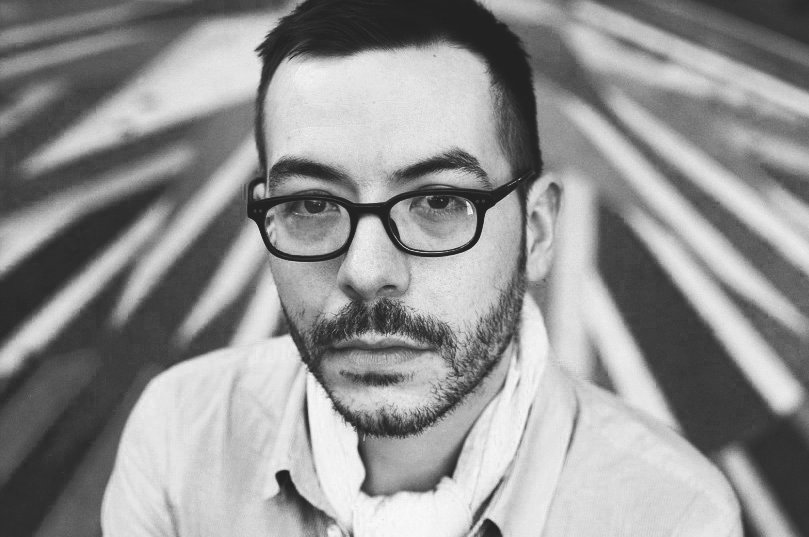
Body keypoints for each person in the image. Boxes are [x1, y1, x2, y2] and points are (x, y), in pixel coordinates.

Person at [102, 0, 742, 535]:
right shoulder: (181, 435)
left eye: (439, 202)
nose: (365, 272)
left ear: (538, 230)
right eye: (312, 204)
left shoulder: (674, 515)